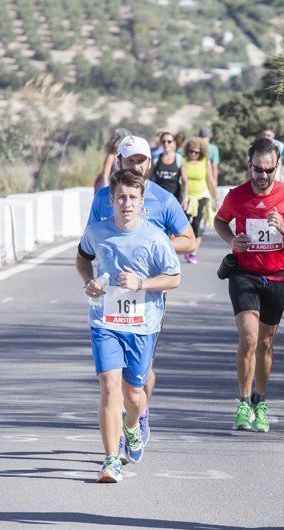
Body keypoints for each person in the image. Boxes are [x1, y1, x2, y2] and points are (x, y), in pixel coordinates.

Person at [88, 135, 196, 450]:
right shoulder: (104, 198)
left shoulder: (163, 199)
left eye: (141, 160)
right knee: (111, 380)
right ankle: (118, 435)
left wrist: (152, 248)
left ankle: (139, 413)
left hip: (149, 291)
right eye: (130, 160)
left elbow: (188, 240)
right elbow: (92, 243)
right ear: (119, 162)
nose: (136, 165)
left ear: (149, 162)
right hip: (111, 294)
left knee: (142, 371)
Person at [77, 170, 182, 482]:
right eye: (120, 197)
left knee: (134, 395)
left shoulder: (154, 237)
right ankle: (111, 460)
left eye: (132, 197)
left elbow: (174, 278)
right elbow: (82, 259)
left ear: (141, 201)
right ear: (111, 199)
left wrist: (142, 283)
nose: (126, 203)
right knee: (110, 387)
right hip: (104, 321)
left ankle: (133, 427)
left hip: (142, 324)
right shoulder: (97, 231)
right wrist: (89, 283)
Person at [214, 137, 284, 432]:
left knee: (266, 343)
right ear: (249, 165)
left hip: (278, 278)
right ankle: (243, 403)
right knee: (249, 339)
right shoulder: (237, 196)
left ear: (277, 166)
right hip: (245, 275)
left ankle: (260, 402)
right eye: (258, 169)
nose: (263, 176)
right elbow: (220, 221)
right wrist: (232, 241)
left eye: (269, 170)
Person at [182, 138, 217, 264]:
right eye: (191, 151)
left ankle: (193, 252)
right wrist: (185, 197)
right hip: (188, 197)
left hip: (202, 195)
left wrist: (215, 198)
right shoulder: (184, 161)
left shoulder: (204, 161)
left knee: (196, 223)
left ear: (201, 152)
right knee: (186, 224)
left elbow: (210, 180)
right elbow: (184, 180)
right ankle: (188, 247)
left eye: (196, 152)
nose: (193, 154)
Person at [152, 131, 187, 206]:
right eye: (163, 141)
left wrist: (185, 199)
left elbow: (185, 181)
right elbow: (148, 178)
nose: (166, 144)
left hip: (175, 199)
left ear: (174, 142)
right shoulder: (155, 159)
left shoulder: (179, 159)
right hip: (158, 200)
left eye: (169, 141)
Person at [93, 128, 129, 193]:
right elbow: (105, 174)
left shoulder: (123, 155)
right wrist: (105, 189)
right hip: (109, 185)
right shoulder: (111, 155)